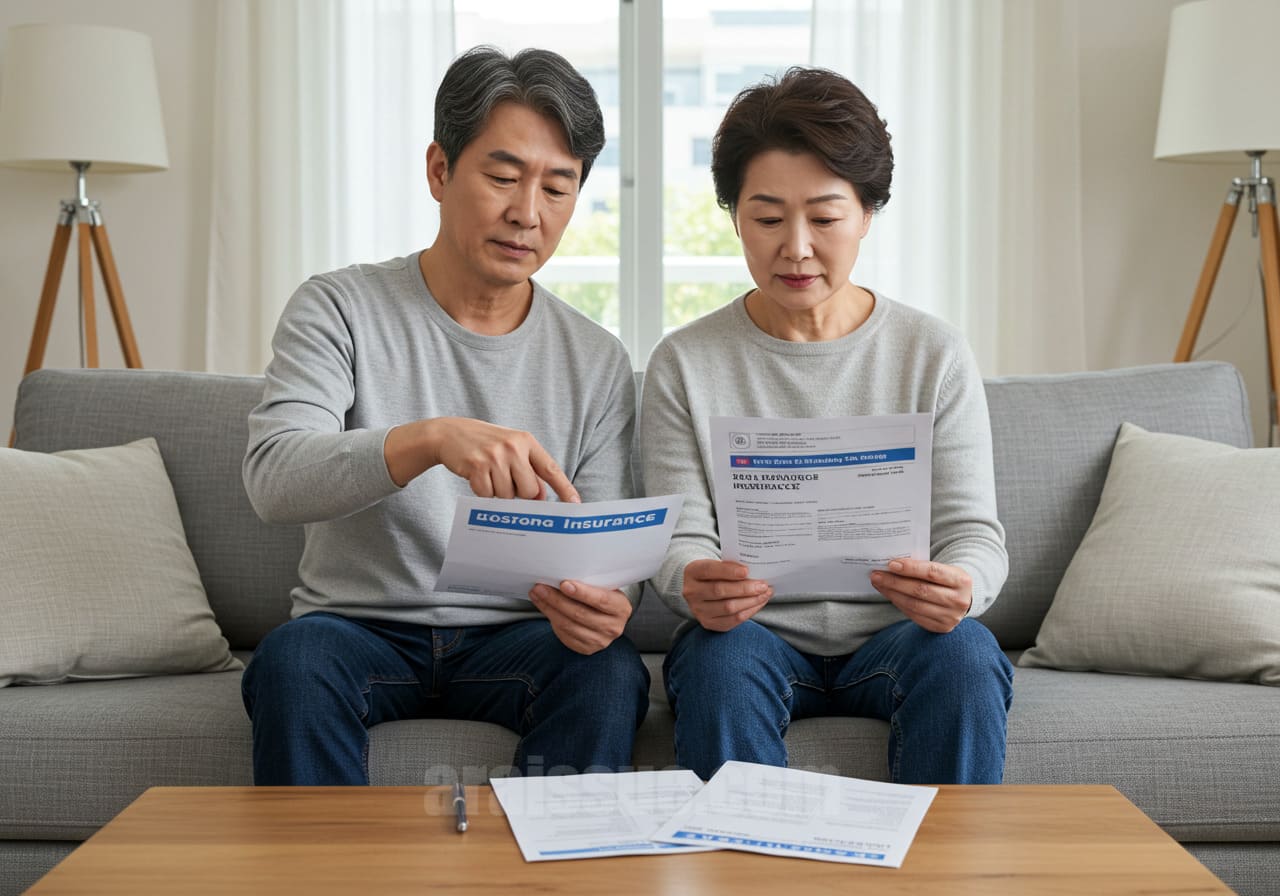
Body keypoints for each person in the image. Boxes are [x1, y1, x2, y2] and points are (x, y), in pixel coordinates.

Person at [240, 46, 649, 785]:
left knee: (610, 673)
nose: (528, 213)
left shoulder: (595, 357)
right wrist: (428, 439)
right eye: (502, 177)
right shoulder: (338, 308)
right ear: (439, 170)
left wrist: (606, 602)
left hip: (520, 636)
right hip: (358, 629)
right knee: (292, 663)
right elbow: (274, 479)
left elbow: (606, 542)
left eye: (558, 188)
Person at [640, 67, 1013, 785]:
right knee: (718, 662)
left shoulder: (932, 353)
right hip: (751, 635)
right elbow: (681, 536)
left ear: (868, 211)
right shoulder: (685, 361)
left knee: (965, 654)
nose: (797, 247)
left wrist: (962, 583)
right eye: (769, 218)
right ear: (735, 216)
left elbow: (974, 532)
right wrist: (693, 579)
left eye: (825, 216)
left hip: (901, 634)